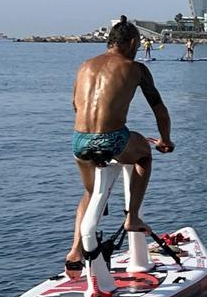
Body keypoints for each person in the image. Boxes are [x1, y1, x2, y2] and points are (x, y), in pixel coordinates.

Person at [66, 16, 174, 277]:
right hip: (113, 140)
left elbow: (75, 106)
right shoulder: (136, 68)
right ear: (134, 42)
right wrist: (165, 140)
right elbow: (159, 110)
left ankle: (75, 251)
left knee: (91, 195)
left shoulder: (84, 66)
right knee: (144, 155)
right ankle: (132, 218)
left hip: (79, 141)